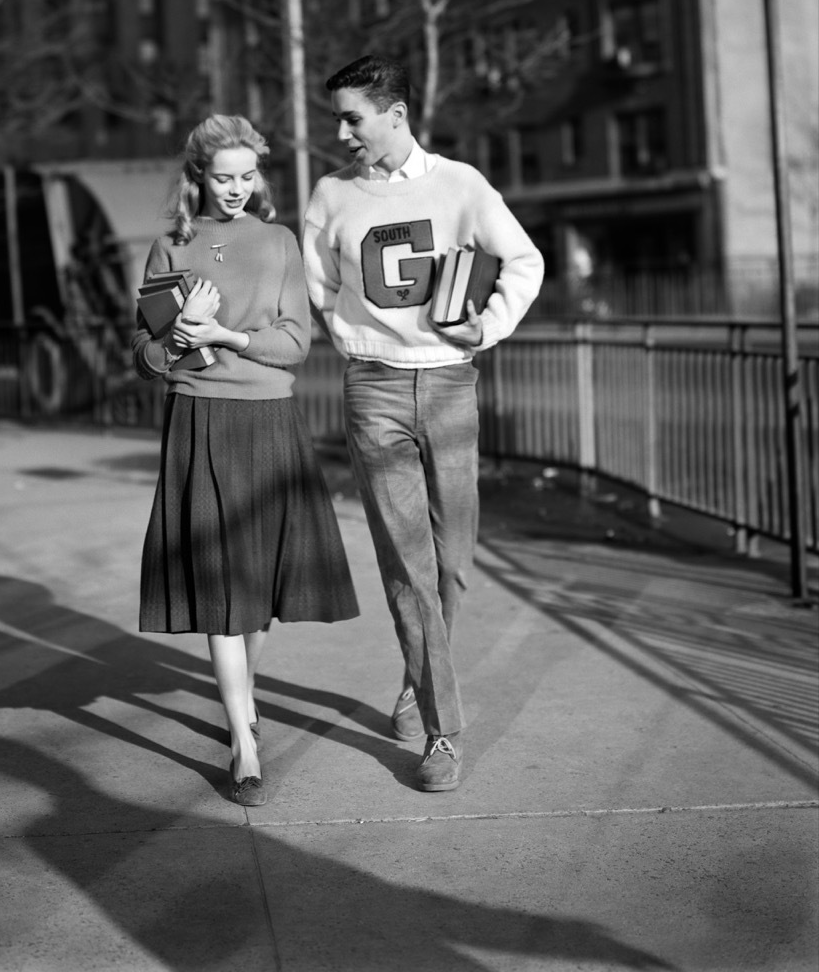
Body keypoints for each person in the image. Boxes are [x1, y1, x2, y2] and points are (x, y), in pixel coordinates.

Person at [303, 55, 543, 793]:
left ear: (396, 113)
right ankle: (442, 732)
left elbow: (524, 261)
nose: (342, 133)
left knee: (452, 561)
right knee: (408, 565)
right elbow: (322, 288)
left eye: (353, 118)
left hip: (449, 384)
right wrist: (359, 341)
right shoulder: (331, 196)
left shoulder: (461, 185)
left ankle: (417, 677)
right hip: (374, 389)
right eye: (338, 120)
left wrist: (485, 327)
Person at [134, 114, 359, 807]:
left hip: (269, 422)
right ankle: (244, 743)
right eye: (223, 177)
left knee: (255, 590)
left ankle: (245, 697)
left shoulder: (278, 241)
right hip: (199, 419)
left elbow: (295, 344)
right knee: (221, 588)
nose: (235, 189)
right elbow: (144, 355)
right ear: (198, 176)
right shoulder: (171, 245)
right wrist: (178, 339)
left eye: (247, 176)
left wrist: (224, 333)